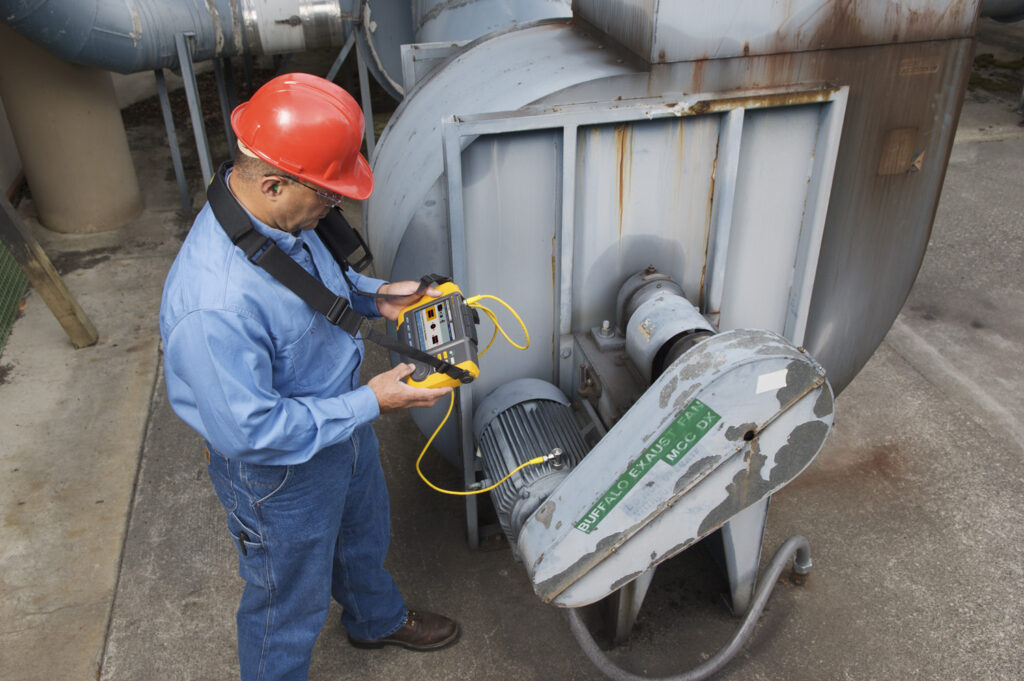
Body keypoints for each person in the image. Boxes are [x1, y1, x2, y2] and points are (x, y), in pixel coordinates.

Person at [159, 72, 458, 681]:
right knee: (285, 600)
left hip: (340, 422)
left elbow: (316, 286)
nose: (336, 206)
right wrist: (371, 402)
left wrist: (379, 298)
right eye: (327, 195)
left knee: (361, 538)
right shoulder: (214, 304)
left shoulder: (277, 216)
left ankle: (374, 619)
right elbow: (251, 431)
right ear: (273, 183)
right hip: (278, 473)